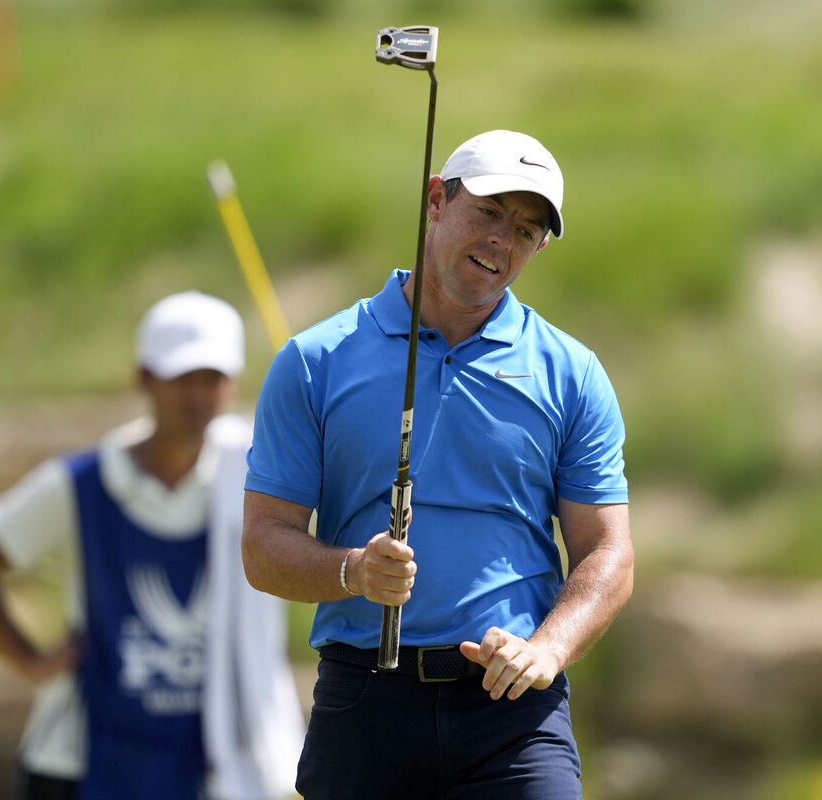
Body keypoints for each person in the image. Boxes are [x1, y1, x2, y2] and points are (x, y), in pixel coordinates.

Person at [241, 130, 633, 799]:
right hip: (365, 700)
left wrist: (547, 650)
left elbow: (608, 554)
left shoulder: (571, 373)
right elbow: (262, 546)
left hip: (513, 712)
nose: (501, 242)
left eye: (526, 230)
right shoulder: (317, 360)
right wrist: (352, 571)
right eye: (488, 213)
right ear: (435, 200)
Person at [0, 291, 304, 800]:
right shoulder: (80, 483)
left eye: (212, 379)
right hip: (79, 763)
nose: (198, 396)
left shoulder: (255, 479)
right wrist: (27, 660)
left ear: (234, 383)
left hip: (210, 761)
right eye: (182, 378)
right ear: (144, 378)